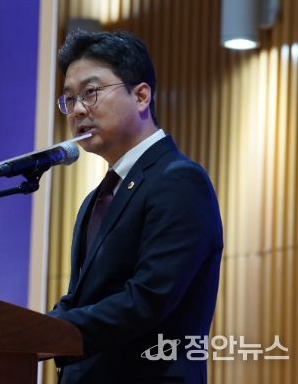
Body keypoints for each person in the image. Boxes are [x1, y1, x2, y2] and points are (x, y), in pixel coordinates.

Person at [47, 30, 223, 384]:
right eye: (70, 98)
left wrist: (53, 333)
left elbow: (148, 299)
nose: (77, 109)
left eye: (90, 92)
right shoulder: (96, 198)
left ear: (141, 96)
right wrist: (27, 330)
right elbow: (80, 298)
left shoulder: (179, 181)